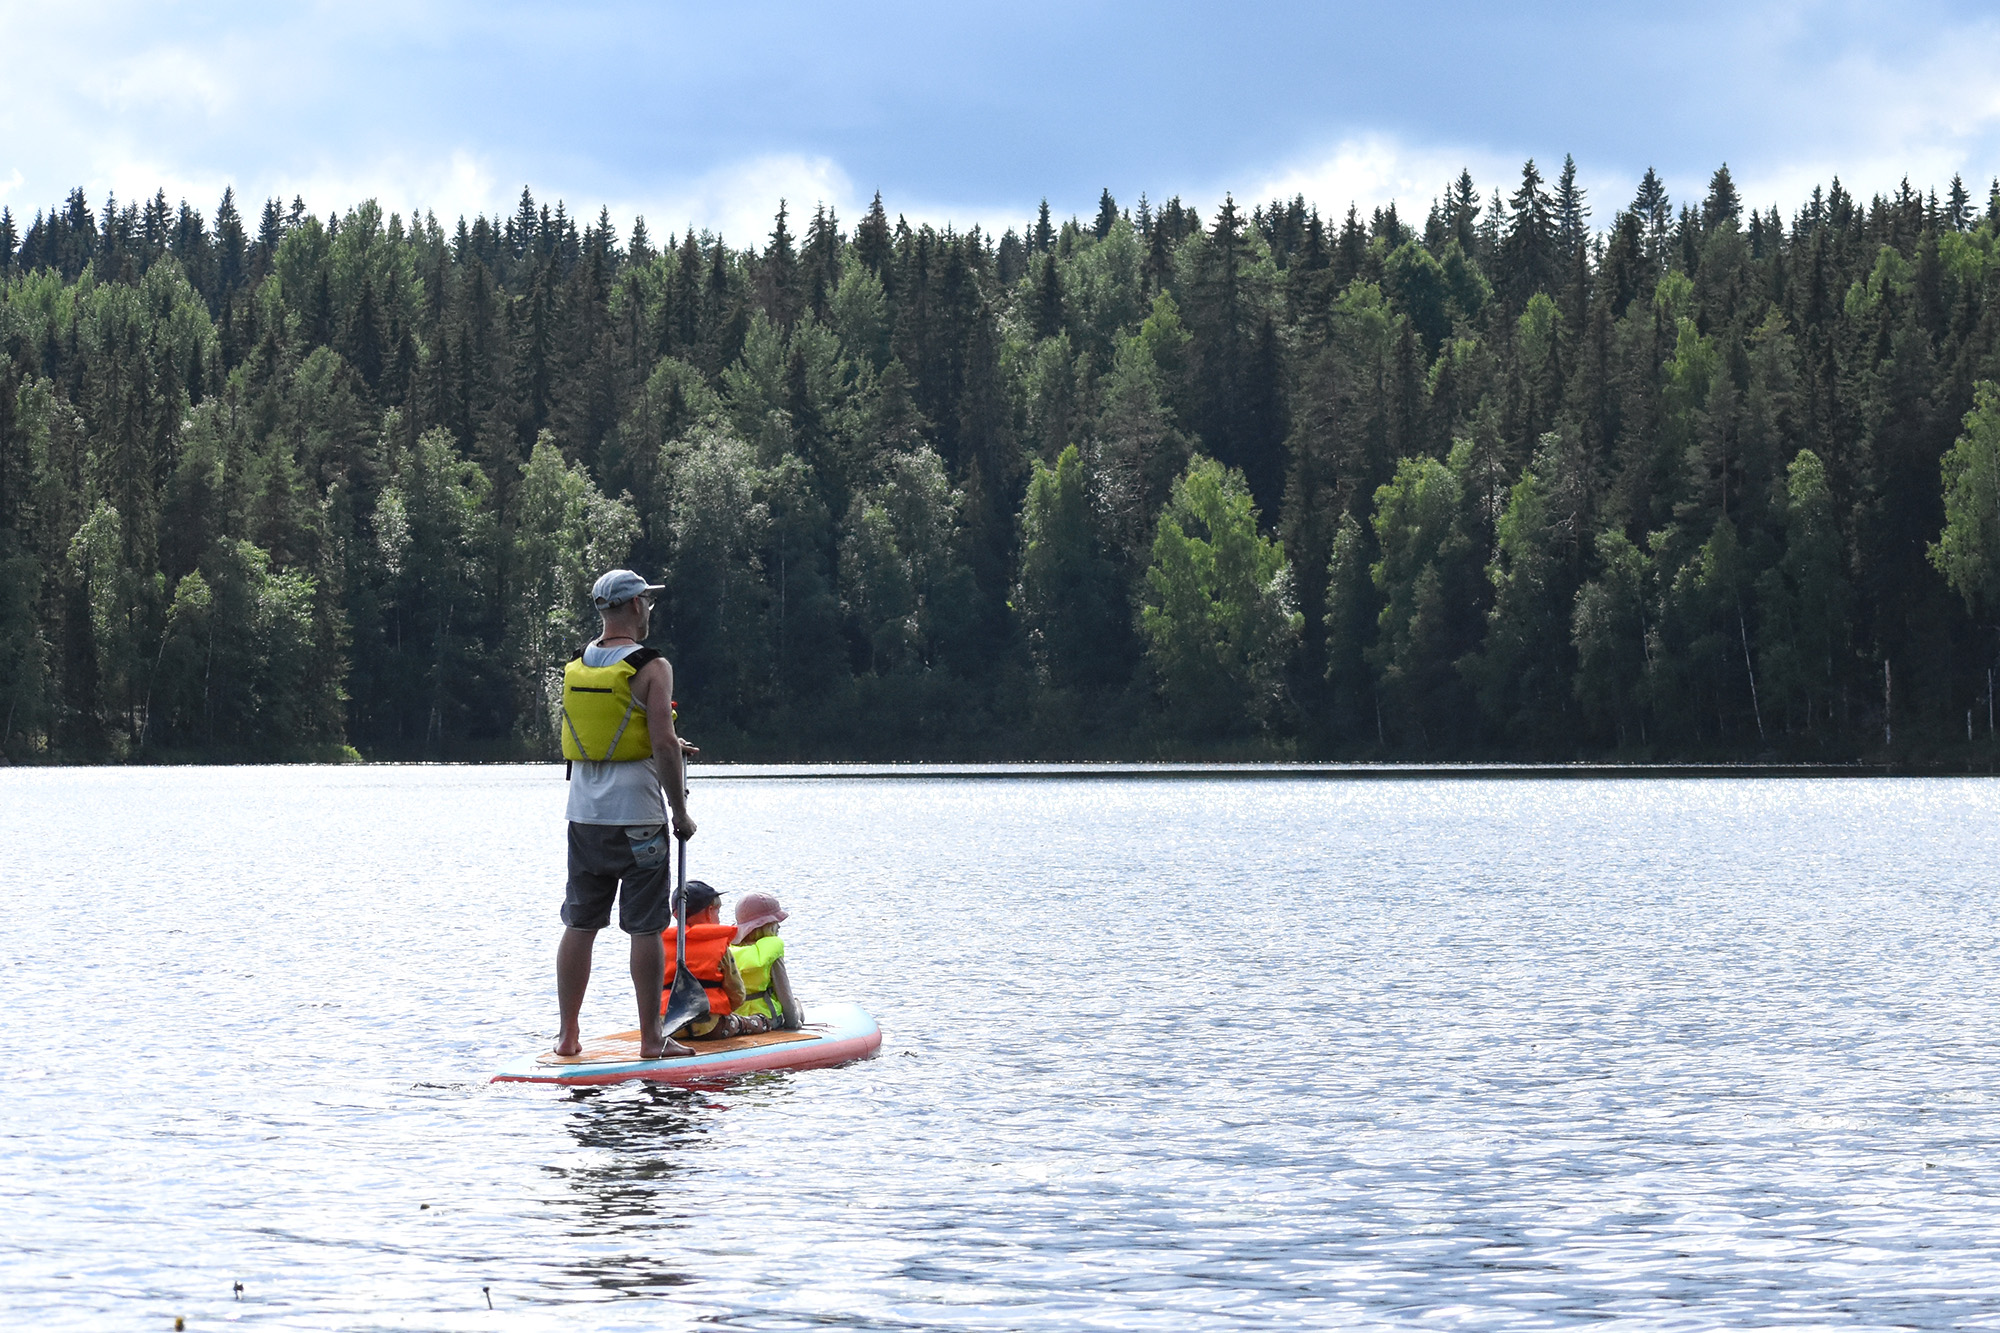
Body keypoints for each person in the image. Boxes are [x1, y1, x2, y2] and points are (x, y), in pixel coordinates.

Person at [554, 569, 698, 1060]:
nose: (650, 609)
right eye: (647, 602)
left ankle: (568, 1036)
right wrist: (680, 812)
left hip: (583, 817)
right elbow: (659, 742)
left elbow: (620, 729)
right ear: (635, 606)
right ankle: (652, 1039)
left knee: (580, 924)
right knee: (645, 928)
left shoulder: (579, 663)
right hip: (638, 815)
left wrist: (670, 744)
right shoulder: (653, 665)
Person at [661, 880, 753, 1040]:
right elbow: (736, 992)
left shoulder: (658, 946)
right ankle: (764, 1022)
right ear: (709, 911)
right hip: (710, 1025)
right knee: (750, 1023)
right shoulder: (719, 946)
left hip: (668, 1025)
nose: (718, 918)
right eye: (718, 912)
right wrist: (725, 1010)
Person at [729, 892, 803, 1031]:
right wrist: (794, 1022)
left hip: (734, 1019)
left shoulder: (728, 950)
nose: (779, 927)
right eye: (776, 923)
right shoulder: (771, 952)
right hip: (767, 1019)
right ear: (768, 926)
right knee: (797, 1005)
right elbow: (784, 994)